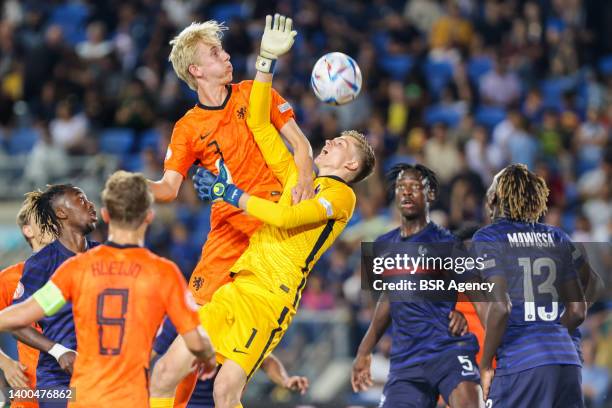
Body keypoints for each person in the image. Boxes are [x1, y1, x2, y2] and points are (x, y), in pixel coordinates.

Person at [148, 14, 376, 408]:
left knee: (222, 389)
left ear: (351, 166)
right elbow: (258, 122)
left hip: (271, 293)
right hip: (234, 267)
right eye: (215, 51)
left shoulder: (340, 198)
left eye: (340, 143)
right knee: (170, 369)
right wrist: (266, 57)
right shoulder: (198, 130)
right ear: (196, 70)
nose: (330, 140)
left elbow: (288, 206)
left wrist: (230, 192)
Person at [0, 171, 216, 407]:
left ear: (106, 215)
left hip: (81, 391)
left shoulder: (76, 269)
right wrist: (205, 355)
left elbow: (20, 316)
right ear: (149, 217)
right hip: (107, 391)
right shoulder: (163, 273)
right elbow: (191, 336)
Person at [351, 164, 483, 408]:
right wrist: (364, 351)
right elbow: (388, 300)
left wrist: (462, 314)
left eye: (415, 187)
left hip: (448, 352)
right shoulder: (382, 245)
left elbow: (483, 298)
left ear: (430, 194)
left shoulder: (448, 243)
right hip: (406, 361)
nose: (407, 192)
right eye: (401, 187)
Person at [474, 164, 586, 407]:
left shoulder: (489, 237)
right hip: (567, 361)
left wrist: (485, 364)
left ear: (495, 197)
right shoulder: (558, 236)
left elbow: (501, 307)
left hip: (520, 365)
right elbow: (578, 311)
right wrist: (551, 334)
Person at [10, 184, 98, 408]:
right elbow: (11, 322)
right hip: (54, 382)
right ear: (61, 213)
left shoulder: (107, 257)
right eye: (81, 200)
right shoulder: (38, 266)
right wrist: (59, 352)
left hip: (103, 374)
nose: (91, 205)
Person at [0, 192, 54, 408]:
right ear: (28, 230)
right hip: (31, 395)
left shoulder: (80, 271)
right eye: (43, 218)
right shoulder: (10, 279)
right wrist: (5, 363)